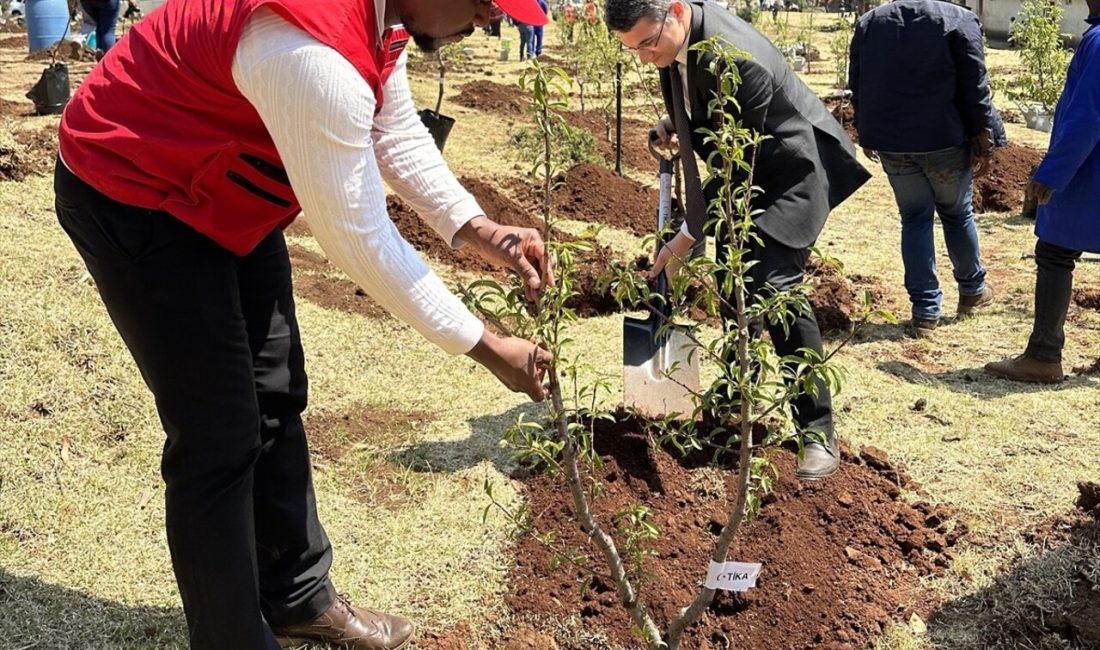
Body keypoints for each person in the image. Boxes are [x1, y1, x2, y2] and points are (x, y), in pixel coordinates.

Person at [53, 0, 551, 648]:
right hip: (137, 187)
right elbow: (361, 240)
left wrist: (481, 230)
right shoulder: (312, 53)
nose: (490, 20)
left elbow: (392, 130)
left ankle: (297, 597)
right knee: (217, 434)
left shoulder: (381, 19)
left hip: (223, 175)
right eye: (486, 3)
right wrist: (489, 347)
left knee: (277, 388)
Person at [605, 0, 871, 480]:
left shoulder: (735, 57)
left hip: (789, 176)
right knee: (733, 285)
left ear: (677, 11)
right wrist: (679, 123)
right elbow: (707, 107)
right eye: (632, 49)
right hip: (744, 182)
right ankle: (734, 395)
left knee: (774, 286)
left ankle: (816, 428)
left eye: (647, 42)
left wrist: (686, 238)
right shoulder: (678, 45)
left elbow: (735, 165)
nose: (644, 56)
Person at [849, 0, 1002, 339]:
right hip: (943, 139)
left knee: (915, 218)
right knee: (957, 214)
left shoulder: (870, 22)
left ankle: (925, 313)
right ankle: (973, 291)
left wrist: (866, 129)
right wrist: (984, 139)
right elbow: (976, 85)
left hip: (892, 142)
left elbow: (857, 81)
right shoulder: (959, 20)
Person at [985, 0, 1100, 383]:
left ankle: (1043, 356)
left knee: (1054, 252)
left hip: (1090, 172)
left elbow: (1085, 120)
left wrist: (1051, 174)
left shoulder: (1098, 42)